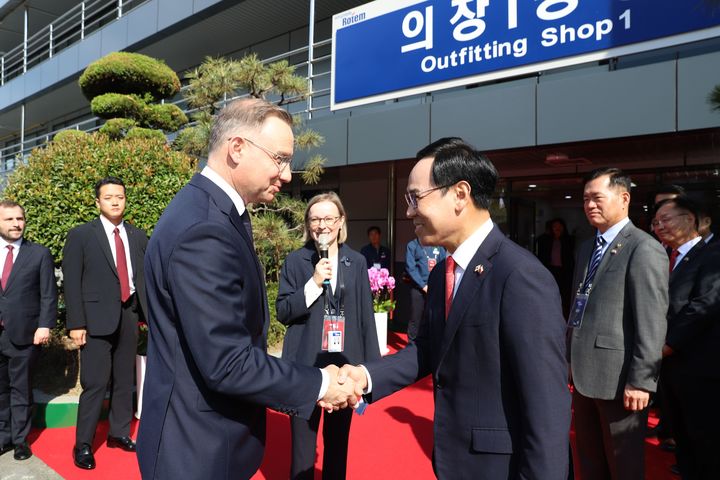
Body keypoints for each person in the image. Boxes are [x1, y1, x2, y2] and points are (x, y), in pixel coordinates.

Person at [136, 98, 358, 480]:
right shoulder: (203, 229)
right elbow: (228, 362)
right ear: (236, 148)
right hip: (196, 450)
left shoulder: (215, 212)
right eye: (280, 158)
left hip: (206, 440)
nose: (287, 174)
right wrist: (320, 383)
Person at [338, 137, 571, 478]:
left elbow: (547, 407)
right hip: (457, 462)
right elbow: (430, 349)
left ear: (460, 195)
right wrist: (367, 376)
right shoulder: (443, 271)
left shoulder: (519, 275)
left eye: (415, 198)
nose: (408, 211)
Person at [568, 168, 668, 480]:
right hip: (583, 375)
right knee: (590, 461)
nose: (589, 205)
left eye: (597, 197)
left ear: (624, 198)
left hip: (620, 380)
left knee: (623, 466)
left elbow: (651, 320)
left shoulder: (643, 247)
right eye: (585, 199)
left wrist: (642, 380)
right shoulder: (587, 247)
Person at [277, 191, 381, 480]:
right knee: (302, 451)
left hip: (343, 369)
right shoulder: (296, 262)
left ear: (340, 222)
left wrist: (369, 370)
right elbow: (284, 311)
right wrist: (313, 283)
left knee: (337, 448)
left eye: (328, 218)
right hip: (304, 367)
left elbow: (364, 318)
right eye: (315, 218)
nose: (322, 225)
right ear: (308, 224)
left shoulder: (357, 262)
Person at [63, 177, 148, 470]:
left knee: (125, 380)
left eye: (120, 197)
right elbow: (72, 283)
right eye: (108, 197)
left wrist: (147, 316)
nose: (115, 201)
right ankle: (83, 444)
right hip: (95, 320)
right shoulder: (81, 235)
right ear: (97, 201)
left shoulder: (138, 236)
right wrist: (76, 323)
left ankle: (118, 433)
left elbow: (143, 279)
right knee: (95, 383)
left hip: (129, 315)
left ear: (126, 200)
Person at [653, 196, 720, 479]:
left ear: (690, 219)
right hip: (672, 369)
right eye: (655, 222)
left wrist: (667, 345)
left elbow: (704, 305)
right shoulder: (666, 257)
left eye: (666, 219)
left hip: (700, 367)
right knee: (683, 437)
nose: (659, 227)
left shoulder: (713, 254)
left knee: (706, 439)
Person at [0, 200, 57, 461]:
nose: (16, 224)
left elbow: (48, 294)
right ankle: (4, 437)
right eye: (9, 219)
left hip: (25, 333)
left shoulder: (39, 254)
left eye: (19, 219)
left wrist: (44, 325)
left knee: (21, 389)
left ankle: (21, 440)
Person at [404, 237, 445, 340]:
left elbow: (443, 264)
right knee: (415, 318)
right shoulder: (412, 245)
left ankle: (429, 344)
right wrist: (423, 286)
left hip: (434, 288)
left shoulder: (437, 245)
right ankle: (412, 344)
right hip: (418, 288)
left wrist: (437, 284)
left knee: (433, 317)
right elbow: (410, 268)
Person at [536, 218, 575, 317]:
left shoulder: (568, 239)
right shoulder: (546, 239)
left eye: (559, 226)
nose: (557, 228)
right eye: (554, 226)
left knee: (564, 293)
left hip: (564, 272)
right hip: (550, 270)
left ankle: (564, 314)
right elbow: (539, 246)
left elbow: (570, 255)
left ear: (563, 227)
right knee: (550, 291)